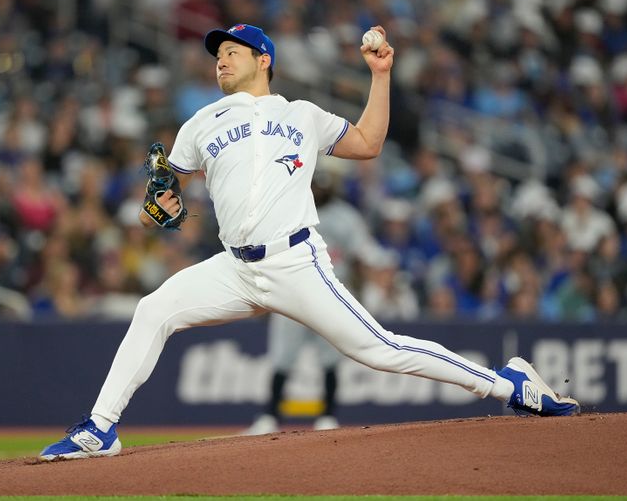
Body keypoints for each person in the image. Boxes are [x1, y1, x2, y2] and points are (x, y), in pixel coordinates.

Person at [40, 23, 579, 461]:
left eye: (233, 52)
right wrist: (159, 209)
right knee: (153, 309)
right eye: (218, 55)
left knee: (380, 350)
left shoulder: (302, 114)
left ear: (264, 59)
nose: (221, 61)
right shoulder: (200, 123)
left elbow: (368, 144)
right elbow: (161, 202)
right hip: (234, 267)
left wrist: (381, 76)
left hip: (296, 261)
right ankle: (100, 429)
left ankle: (509, 385)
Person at [243, 168, 379, 435]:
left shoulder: (346, 217)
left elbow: (359, 259)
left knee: (330, 358)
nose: (319, 190)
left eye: (323, 186)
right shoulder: (290, 210)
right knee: (282, 356)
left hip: (329, 296)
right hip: (291, 295)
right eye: (315, 186)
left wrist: (358, 299)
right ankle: (270, 416)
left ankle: (327, 416)